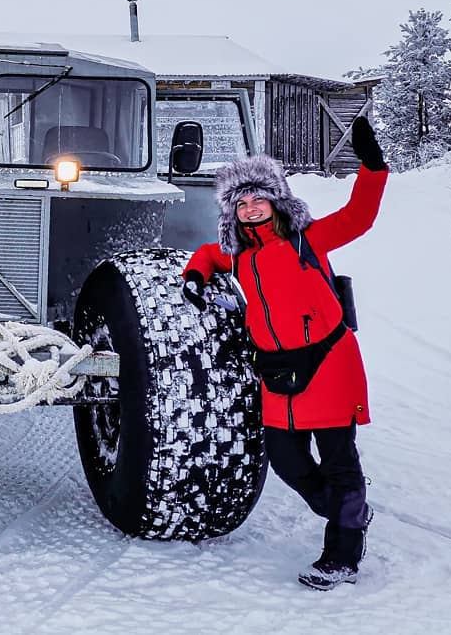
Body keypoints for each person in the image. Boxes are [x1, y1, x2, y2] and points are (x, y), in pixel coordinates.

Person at [181, 116, 388, 591]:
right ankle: (350, 512)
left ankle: (342, 555)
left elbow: (360, 216)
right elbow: (210, 255)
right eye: (242, 202)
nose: (251, 208)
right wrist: (196, 275)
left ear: (276, 201)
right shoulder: (239, 255)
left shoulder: (306, 240)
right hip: (275, 371)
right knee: (286, 459)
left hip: (328, 362)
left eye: (259, 199)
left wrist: (371, 165)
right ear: (233, 211)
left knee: (339, 461)